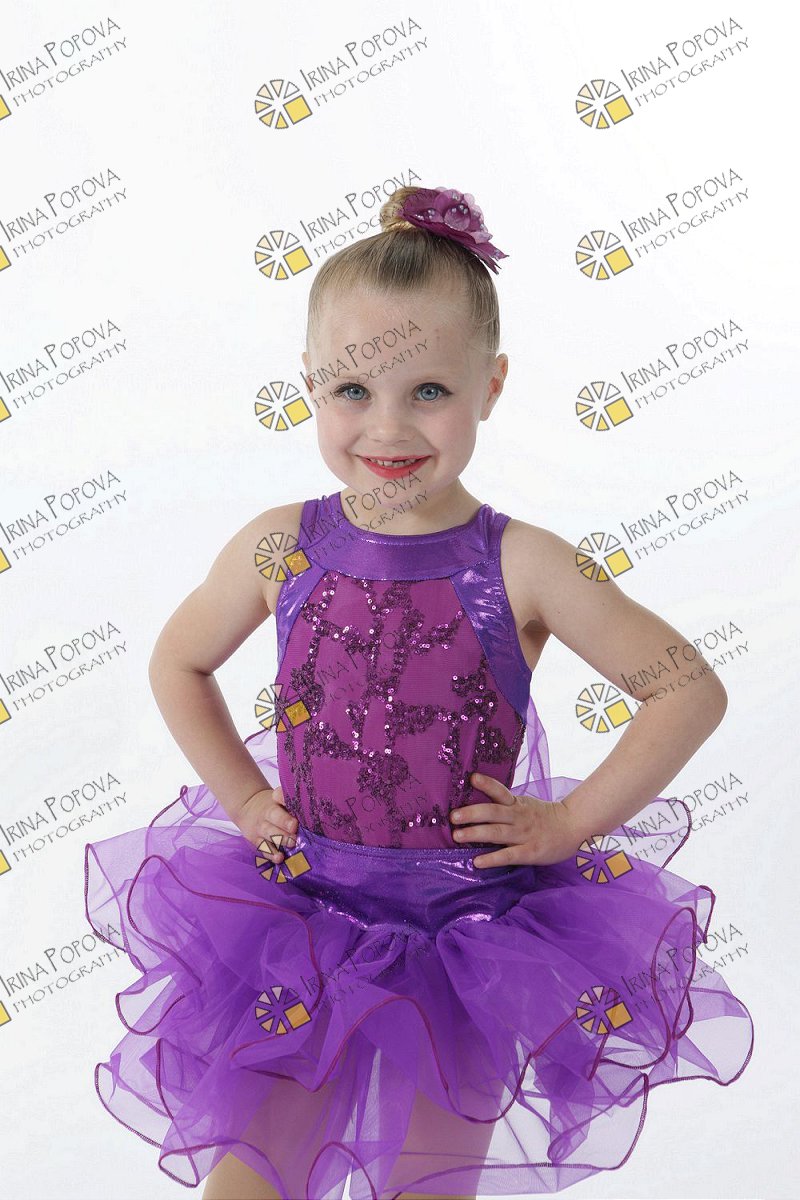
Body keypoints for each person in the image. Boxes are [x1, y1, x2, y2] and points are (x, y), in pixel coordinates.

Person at [84, 185, 754, 1200]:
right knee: (248, 1180)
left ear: (490, 385)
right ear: (309, 384)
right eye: (352, 390)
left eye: (428, 390)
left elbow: (685, 690)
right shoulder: (279, 545)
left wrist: (568, 821)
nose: (387, 425)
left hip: (466, 949)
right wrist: (245, 797)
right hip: (301, 927)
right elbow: (179, 662)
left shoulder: (521, 564)